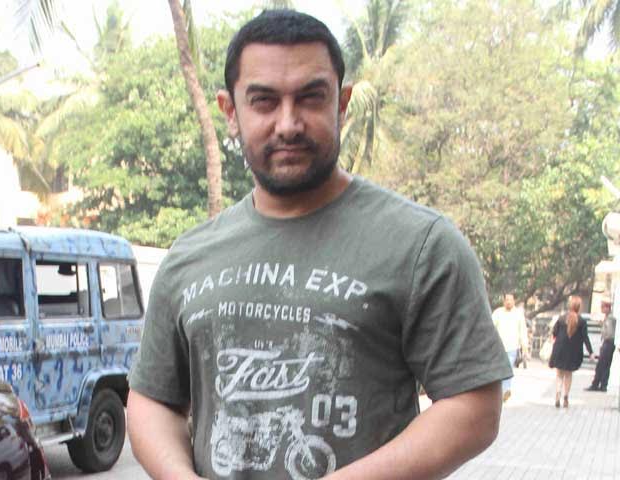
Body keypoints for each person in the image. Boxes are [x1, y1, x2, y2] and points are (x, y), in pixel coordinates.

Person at [126, 9, 512, 480]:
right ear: (230, 112)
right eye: (264, 102)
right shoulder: (188, 257)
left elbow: (475, 407)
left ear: (342, 104)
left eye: (310, 98)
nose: (288, 124)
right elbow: (152, 400)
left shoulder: (422, 246)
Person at [549, 295, 594, 408]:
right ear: (579, 307)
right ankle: (566, 397)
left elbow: (554, 332)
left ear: (569, 305)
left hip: (560, 349)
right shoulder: (582, 321)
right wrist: (591, 352)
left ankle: (558, 393)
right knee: (568, 374)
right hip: (573, 352)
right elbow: (585, 337)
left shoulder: (561, 318)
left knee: (559, 374)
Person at [492, 293, 528, 402]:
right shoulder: (498, 313)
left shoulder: (518, 314)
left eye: (510, 300)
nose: (508, 302)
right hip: (499, 347)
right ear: (504, 301)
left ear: (514, 301)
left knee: (508, 369)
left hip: (512, 347)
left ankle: (505, 390)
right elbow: (491, 327)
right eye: (507, 300)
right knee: (499, 369)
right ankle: (500, 391)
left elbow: (522, 331)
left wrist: (524, 346)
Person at [585, 298, 616, 392]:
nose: (601, 309)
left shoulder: (610, 318)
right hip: (608, 343)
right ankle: (601, 384)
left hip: (608, 342)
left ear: (607, 308)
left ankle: (598, 384)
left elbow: (609, 332)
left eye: (603, 307)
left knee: (602, 364)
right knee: (604, 364)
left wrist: (604, 339)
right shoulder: (607, 318)